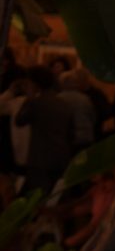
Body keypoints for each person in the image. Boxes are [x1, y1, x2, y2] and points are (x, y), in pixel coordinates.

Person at [15, 66, 75, 196]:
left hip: (40, 160)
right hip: (61, 157)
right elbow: (71, 134)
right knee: (54, 196)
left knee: (37, 197)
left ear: (34, 84)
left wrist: (28, 98)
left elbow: (19, 120)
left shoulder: (36, 103)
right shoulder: (64, 104)